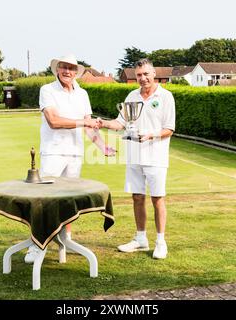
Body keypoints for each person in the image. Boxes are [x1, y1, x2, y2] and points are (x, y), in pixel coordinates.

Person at [24, 54, 115, 263]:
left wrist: (102, 146)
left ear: (76, 72)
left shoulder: (82, 94)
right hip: (53, 152)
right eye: (64, 67)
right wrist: (84, 124)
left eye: (71, 69)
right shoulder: (47, 90)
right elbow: (54, 121)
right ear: (58, 69)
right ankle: (36, 244)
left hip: (75, 154)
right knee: (43, 200)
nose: (67, 71)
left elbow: (89, 124)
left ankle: (66, 238)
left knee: (69, 199)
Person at [98, 58, 175, 259]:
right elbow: (121, 123)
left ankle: (160, 242)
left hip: (156, 156)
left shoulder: (165, 96)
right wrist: (103, 123)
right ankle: (140, 239)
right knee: (137, 197)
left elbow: (170, 129)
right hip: (134, 155)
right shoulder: (131, 95)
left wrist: (151, 135)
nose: (142, 78)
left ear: (154, 73)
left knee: (157, 199)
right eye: (139, 75)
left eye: (146, 74)